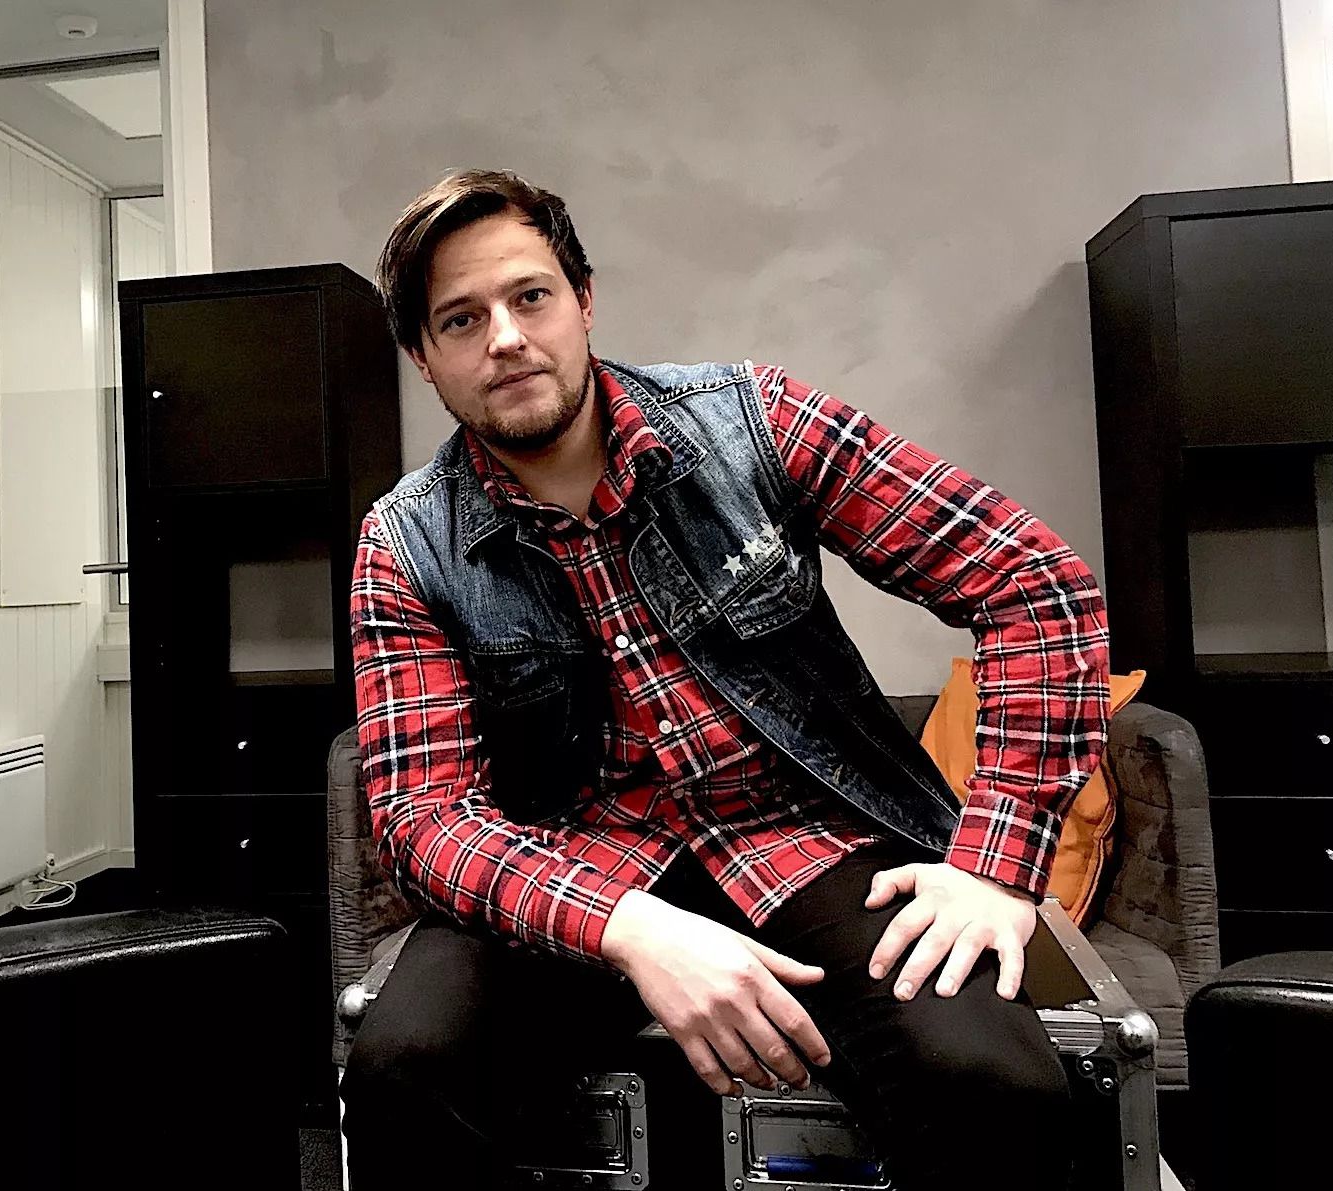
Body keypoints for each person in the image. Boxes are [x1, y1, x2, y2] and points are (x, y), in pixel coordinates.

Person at [342, 168, 1109, 1190]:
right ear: (424, 358)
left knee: (993, 1087)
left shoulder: (751, 420)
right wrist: (628, 925)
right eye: (460, 319)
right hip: (575, 864)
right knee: (401, 1075)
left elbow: (1032, 584)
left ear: (583, 300)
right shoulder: (404, 543)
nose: (507, 338)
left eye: (530, 296)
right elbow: (422, 819)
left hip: (810, 837)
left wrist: (995, 867)